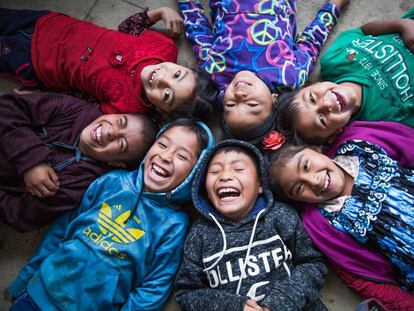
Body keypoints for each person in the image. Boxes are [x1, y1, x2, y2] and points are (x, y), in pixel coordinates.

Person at [7, 118, 215, 311]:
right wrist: (24, 279)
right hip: (37, 293)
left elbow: (154, 288)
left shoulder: (174, 224)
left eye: (182, 156)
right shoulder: (112, 182)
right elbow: (60, 232)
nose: (166, 156)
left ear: (194, 174)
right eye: (162, 144)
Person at [266, 123, 414, 306]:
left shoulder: (360, 144)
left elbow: (408, 145)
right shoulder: (323, 226)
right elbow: (361, 277)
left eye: (306, 165)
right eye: (299, 188)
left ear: (315, 149)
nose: (314, 180)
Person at [175, 140, 327, 311]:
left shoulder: (280, 215)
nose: (224, 176)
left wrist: (281, 301)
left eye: (238, 169)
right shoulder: (199, 234)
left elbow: (313, 263)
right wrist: (233, 306)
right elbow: (186, 293)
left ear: (260, 184)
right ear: (206, 191)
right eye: (215, 171)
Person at [178, 0, 350, 145]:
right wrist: (334, 6)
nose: (239, 95)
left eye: (230, 105)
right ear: (274, 101)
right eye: (252, 105)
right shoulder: (289, 76)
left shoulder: (214, 72)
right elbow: (312, 40)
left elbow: (196, 27)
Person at [0, 7, 218, 118]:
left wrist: (40, 97)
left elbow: (80, 100)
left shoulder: (127, 107)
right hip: (51, 23)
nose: (161, 79)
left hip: (36, 63)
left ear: (161, 110)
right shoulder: (164, 47)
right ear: (181, 66)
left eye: (167, 95)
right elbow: (126, 29)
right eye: (176, 75)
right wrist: (160, 12)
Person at [0, 92, 156, 232]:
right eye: (121, 122)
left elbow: (21, 216)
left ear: (116, 163)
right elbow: (8, 107)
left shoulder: (82, 183)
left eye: (121, 144)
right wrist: (31, 160)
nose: (110, 132)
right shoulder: (78, 111)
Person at [275, 6, 414, 144]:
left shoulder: (335, 60)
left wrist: (402, 25)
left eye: (312, 98)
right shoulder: (382, 122)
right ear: (335, 134)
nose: (326, 104)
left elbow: (363, 31)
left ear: (310, 85)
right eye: (322, 119)